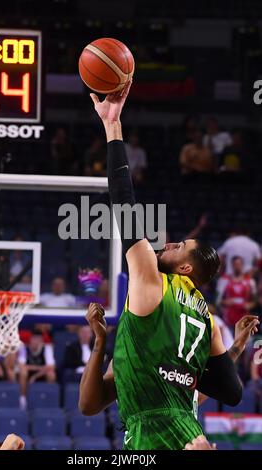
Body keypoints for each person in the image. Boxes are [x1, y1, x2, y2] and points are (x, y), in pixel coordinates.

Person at [79, 81, 244, 450]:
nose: (169, 244)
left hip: (154, 433)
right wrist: (231, 353)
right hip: (189, 428)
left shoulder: (151, 281)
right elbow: (230, 391)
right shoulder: (207, 320)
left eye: (180, 247)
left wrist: (112, 125)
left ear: (185, 269)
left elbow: (123, 202)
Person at [79, 304, 259, 448]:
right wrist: (100, 339)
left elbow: (195, 396)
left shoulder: (185, 360)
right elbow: (88, 405)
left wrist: (237, 346)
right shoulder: (129, 358)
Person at [18, 330, 56, 409]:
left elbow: (51, 366)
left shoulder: (47, 348)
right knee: (23, 372)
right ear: (30, 340)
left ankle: (48, 396)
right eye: (34, 339)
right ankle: (23, 399)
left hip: (41, 373)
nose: (35, 342)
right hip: (29, 373)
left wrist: (35, 376)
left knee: (51, 374)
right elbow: (21, 366)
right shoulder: (24, 348)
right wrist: (39, 368)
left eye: (38, 340)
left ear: (41, 341)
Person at [218, 256, 257, 329]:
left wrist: (249, 305)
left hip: (244, 318)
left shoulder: (250, 281)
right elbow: (217, 301)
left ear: (242, 265)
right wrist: (224, 302)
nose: (237, 266)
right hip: (228, 319)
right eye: (235, 264)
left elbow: (255, 300)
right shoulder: (224, 280)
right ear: (232, 265)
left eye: (239, 264)